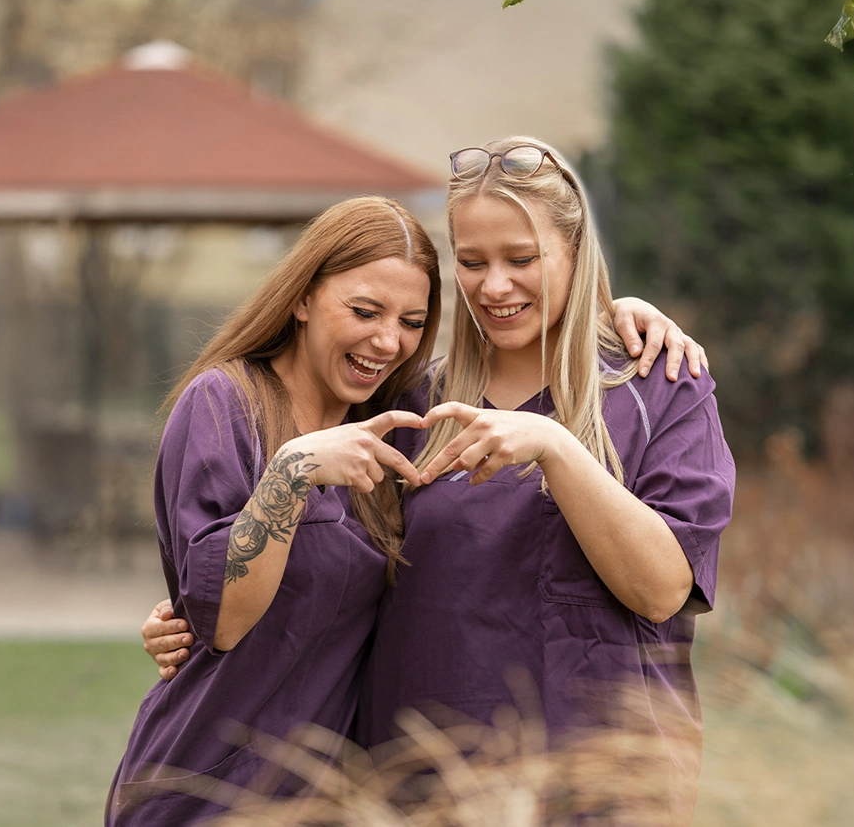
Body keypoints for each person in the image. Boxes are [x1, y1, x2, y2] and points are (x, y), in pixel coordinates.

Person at [141, 141, 728, 822]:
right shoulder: (411, 403)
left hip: (597, 792)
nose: (494, 286)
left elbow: (662, 590)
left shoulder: (659, 390)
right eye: (472, 262)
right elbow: (310, 560)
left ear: (575, 253)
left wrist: (557, 448)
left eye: (522, 259)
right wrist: (183, 615)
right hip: (420, 789)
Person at [105, 195, 442, 826]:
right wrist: (292, 472)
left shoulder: (395, 427)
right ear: (303, 298)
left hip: (321, 802)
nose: (389, 340)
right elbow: (227, 620)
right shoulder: (223, 405)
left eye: (413, 321)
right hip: (200, 790)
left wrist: (614, 315)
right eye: (365, 310)